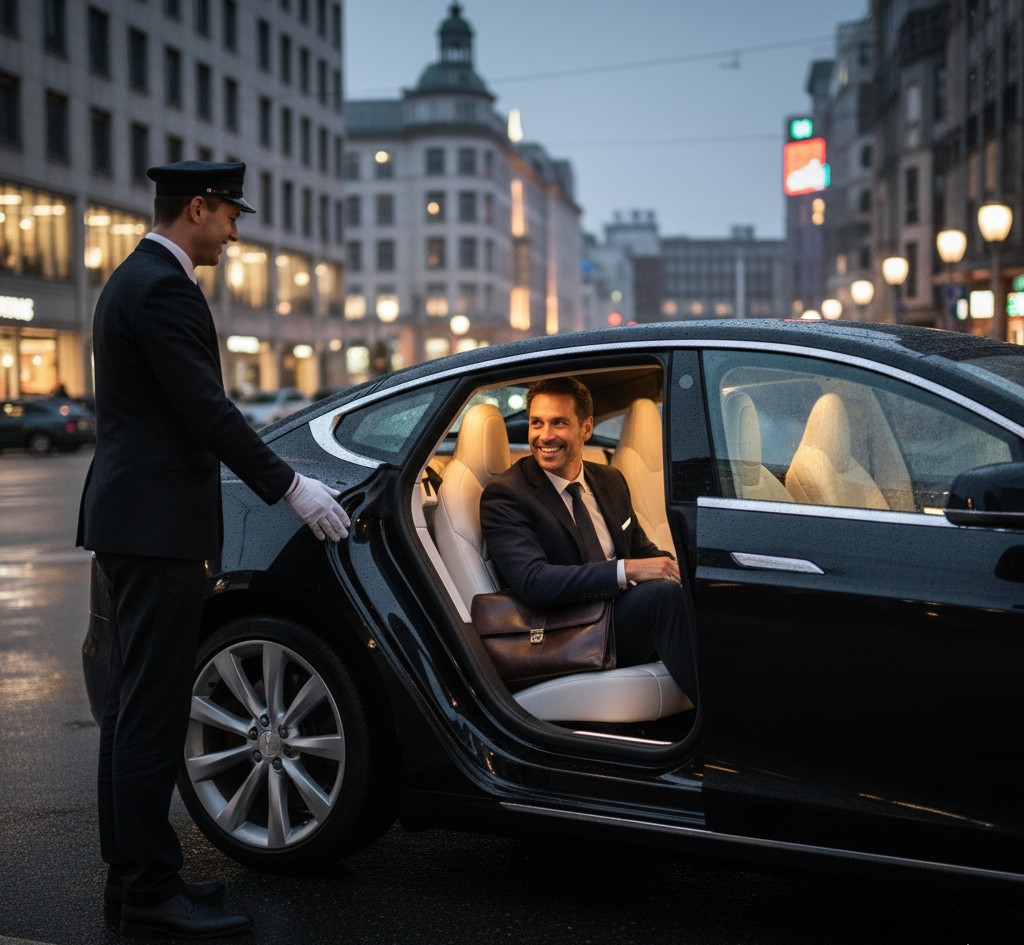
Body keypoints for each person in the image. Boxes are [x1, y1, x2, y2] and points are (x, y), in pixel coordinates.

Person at [76, 160, 347, 939]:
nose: (235, 229)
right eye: (230, 214)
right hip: (156, 530)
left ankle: (132, 885)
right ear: (196, 207)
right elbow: (205, 409)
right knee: (151, 713)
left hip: (131, 523)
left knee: (131, 710)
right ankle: (151, 893)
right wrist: (291, 486)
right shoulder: (162, 286)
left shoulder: (133, 279)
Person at [479, 377, 697, 702]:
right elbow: (534, 583)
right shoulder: (506, 495)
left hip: (614, 617)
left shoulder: (609, 480)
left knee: (706, 594)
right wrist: (626, 570)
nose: (544, 436)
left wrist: (687, 573)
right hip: (565, 632)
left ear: (586, 428)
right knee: (661, 599)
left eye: (559, 423)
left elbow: (641, 550)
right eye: (536, 423)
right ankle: (723, 728)